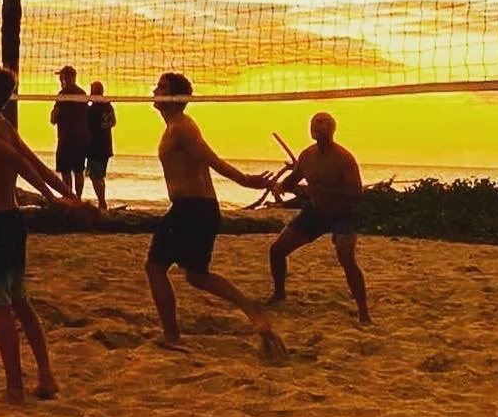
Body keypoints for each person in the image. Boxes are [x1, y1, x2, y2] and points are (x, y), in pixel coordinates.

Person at [146, 72, 286, 359]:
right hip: (196, 207)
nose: (154, 91)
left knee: (155, 266)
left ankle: (172, 336)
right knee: (197, 275)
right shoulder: (175, 126)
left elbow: (211, 159)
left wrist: (245, 180)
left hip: (192, 207)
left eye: (161, 87)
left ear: (173, 96)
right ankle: (252, 310)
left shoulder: (181, 128)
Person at [0, 64, 77, 404]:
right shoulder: (7, 127)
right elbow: (37, 165)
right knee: (19, 300)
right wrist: (67, 195)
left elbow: (19, 162)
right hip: (13, 221)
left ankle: (15, 388)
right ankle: (46, 375)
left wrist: (53, 199)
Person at [267, 112, 370, 324]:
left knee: (346, 256)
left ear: (332, 129)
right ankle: (279, 294)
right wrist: (280, 187)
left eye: (322, 122)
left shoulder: (343, 158)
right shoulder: (307, 155)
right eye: (313, 122)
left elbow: (356, 194)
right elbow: (294, 178)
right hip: (316, 212)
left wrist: (322, 190)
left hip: (342, 214)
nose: (316, 125)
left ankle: (363, 312)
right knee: (277, 250)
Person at [50, 65, 90, 199]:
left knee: (66, 171)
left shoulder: (63, 95)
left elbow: (54, 118)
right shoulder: (82, 94)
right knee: (79, 170)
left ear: (67, 78)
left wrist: (55, 114)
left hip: (66, 138)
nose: (60, 80)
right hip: (81, 138)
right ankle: (77, 198)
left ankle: (69, 197)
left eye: (62, 77)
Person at [85, 81, 116, 210]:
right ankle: (102, 202)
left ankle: (102, 202)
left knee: (95, 176)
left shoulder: (92, 109)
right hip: (106, 146)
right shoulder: (108, 106)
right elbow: (113, 122)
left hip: (95, 147)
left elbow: (87, 124)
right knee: (99, 176)